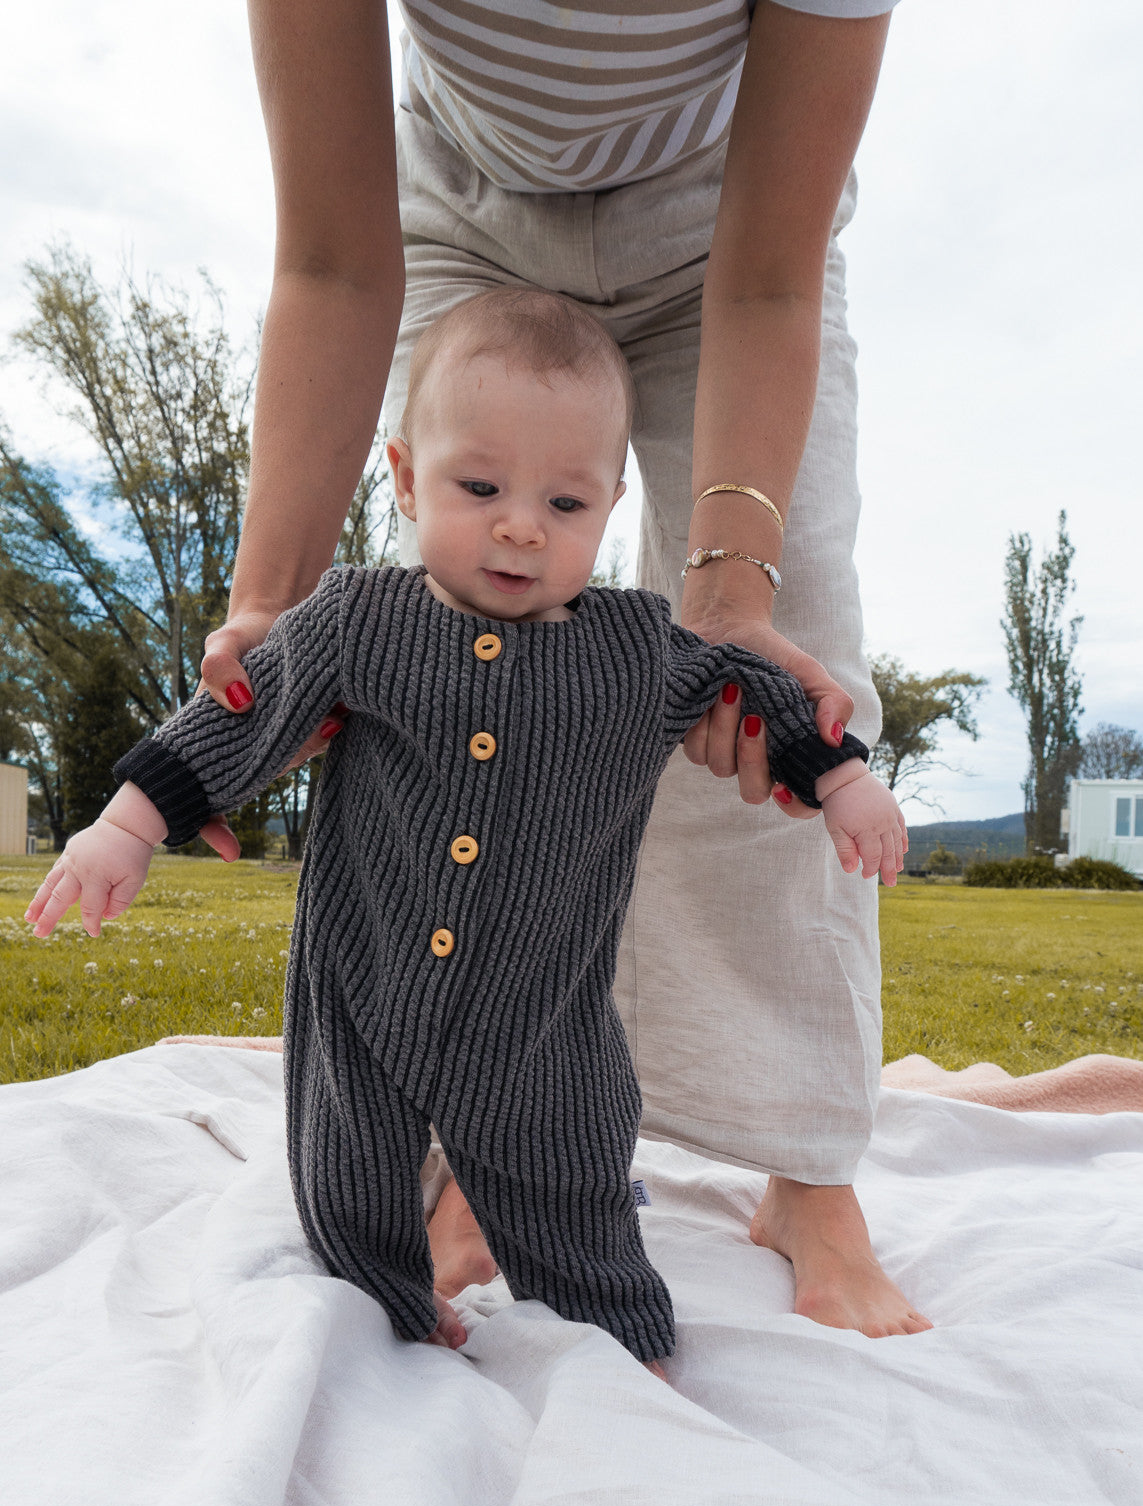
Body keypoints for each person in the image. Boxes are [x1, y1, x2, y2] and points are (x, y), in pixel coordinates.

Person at [197, 0, 933, 1337]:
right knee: (451, 648)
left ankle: (803, 1173)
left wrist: (722, 586)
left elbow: (766, 281)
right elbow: (329, 264)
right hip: (461, 207)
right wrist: (273, 605)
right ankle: (487, 1146)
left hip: (722, 227)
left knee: (787, 631)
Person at [25, 290, 908, 1369]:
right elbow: (239, 709)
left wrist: (845, 778)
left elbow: (754, 689)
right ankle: (391, 1306)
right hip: (367, 986)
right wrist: (124, 824)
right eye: (479, 486)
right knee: (348, 1183)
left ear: (615, 506)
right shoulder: (356, 618)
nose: (522, 524)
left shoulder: (638, 650)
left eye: (568, 503)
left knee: (573, 1183)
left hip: (545, 1020)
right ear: (404, 477)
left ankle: (617, 1346)